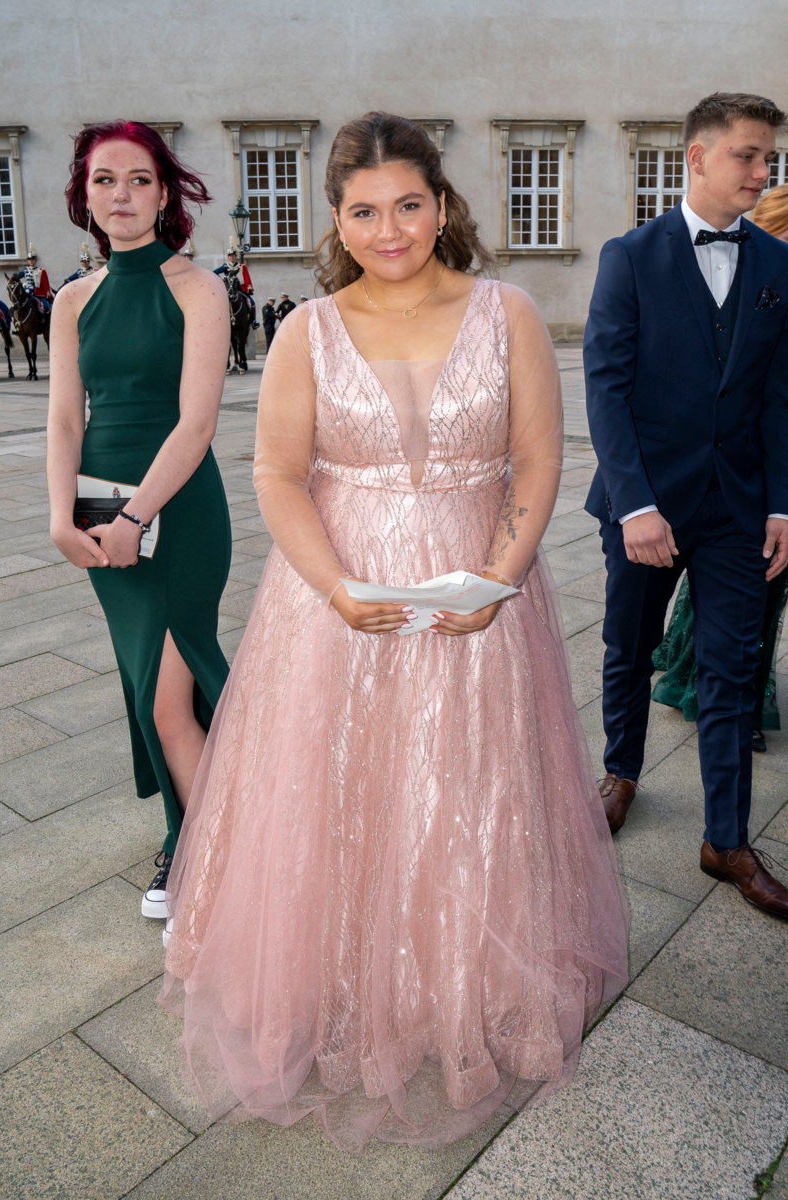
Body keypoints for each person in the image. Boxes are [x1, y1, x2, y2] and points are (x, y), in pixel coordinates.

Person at [161, 112, 628, 1151]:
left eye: (408, 204)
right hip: (336, 605)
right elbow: (278, 476)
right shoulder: (305, 330)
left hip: (479, 590)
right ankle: (335, 983)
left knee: (471, 790)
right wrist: (334, 587)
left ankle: (461, 982)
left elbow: (539, 462)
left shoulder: (505, 313)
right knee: (340, 790)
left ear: (442, 203)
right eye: (364, 210)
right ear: (336, 217)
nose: (389, 229)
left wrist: (496, 580)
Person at [584, 92, 788, 920]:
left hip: (739, 509)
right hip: (644, 505)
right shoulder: (629, 256)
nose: (763, 172)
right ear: (698, 157)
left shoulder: (782, 267)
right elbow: (605, 389)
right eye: (749, 155)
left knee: (732, 668)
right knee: (629, 645)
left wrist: (783, 508)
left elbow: (784, 401)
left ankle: (727, 839)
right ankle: (621, 772)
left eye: (768, 158)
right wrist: (635, 504)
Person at [47, 120, 232, 923]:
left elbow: (196, 425)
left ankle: (206, 853)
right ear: (84, 196)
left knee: (165, 697)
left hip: (179, 513)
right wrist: (62, 516)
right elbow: (62, 417)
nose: (120, 195)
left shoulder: (197, 287)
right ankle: (200, 827)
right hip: (98, 511)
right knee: (146, 683)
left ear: (166, 194)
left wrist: (134, 513)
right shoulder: (71, 299)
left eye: (138, 180)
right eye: (104, 181)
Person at [653, 184, 788, 748]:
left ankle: (744, 699)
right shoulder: (720, 284)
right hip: (721, 459)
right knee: (708, 577)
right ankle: (696, 677)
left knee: (763, 585)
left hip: (782, 468)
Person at [214, 246, 259, 327]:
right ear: (228, 257)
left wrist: (248, 288)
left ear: (235, 256)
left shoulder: (240, 266)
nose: (232, 257)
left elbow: (246, 278)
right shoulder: (225, 266)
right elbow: (214, 272)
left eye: (233, 255)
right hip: (228, 290)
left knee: (252, 302)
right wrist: (221, 281)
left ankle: (254, 321)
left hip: (239, 289)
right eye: (230, 256)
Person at [18, 245, 55, 315]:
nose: (31, 261)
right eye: (29, 260)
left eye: (32, 260)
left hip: (39, 294)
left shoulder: (41, 271)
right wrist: (13, 277)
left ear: (35, 260)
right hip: (27, 292)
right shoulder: (25, 270)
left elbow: (46, 284)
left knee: (46, 307)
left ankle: (47, 323)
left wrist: (47, 294)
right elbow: (18, 275)